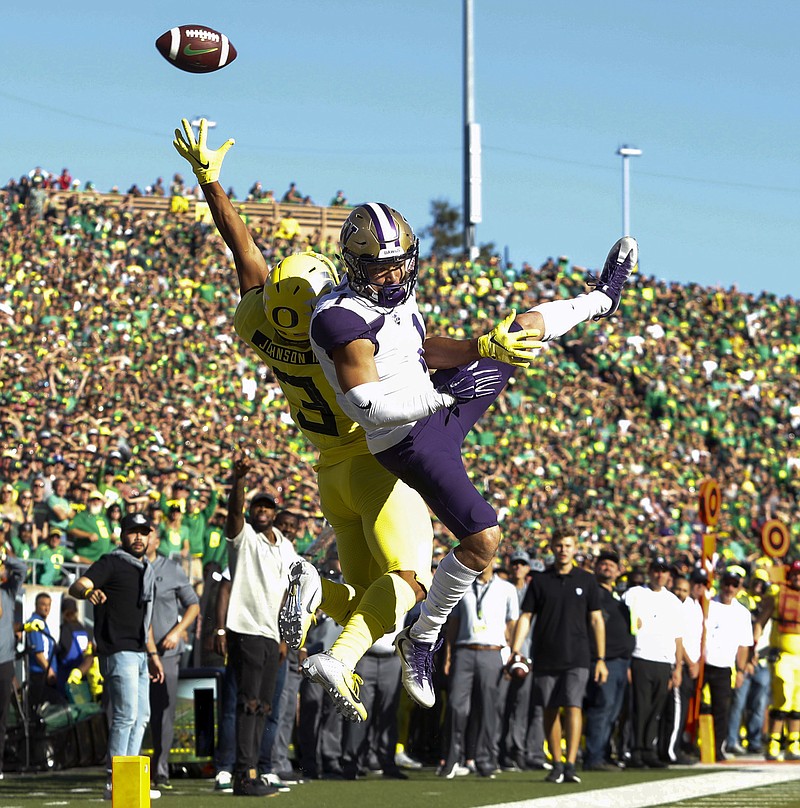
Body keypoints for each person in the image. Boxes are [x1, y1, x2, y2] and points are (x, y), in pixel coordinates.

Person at [309, 201, 636, 712]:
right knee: (484, 539)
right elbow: (369, 407)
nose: (394, 275)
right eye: (381, 267)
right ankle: (422, 637)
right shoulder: (339, 318)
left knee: (518, 331)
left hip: (434, 410)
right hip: (408, 440)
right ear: (355, 266)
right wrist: (444, 397)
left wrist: (481, 346)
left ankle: (602, 298)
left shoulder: (388, 299)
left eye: (400, 263)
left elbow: (419, 351)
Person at [173, 118, 437, 723]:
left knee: (375, 607)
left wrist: (209, 180)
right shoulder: (342, 329)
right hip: (376, 459)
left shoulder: (260, 326)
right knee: (412, 583)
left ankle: (321, 597)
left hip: (329, 473)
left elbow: (243, 253)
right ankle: (336, 653)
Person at [213, 455, 300, 797]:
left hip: (270, 633)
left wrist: (284, 636)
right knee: (247, 702)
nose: (261, 511)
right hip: (246, 627)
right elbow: (234, 513)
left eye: (267, 507)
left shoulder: (286, 545)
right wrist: (238, 481)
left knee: (264, 705)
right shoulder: (244, 536)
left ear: (275, 513)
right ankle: (242, 774)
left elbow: (288, 592)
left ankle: (255, 769)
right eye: (257, 507)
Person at [69, 512, 165, 801]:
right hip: (118, 650)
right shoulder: (111, 562)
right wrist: (89, 593)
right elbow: (77, 586)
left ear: (150, 537)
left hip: (138, 651)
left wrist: (153, 654)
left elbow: (144, 620)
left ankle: (129, 778)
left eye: (143, 532)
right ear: (122, 534)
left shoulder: (145, 569)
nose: (138, 537)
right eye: (132, 531)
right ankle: (115, 781)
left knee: (142, 716)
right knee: (125, 716)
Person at [507, 534, 606, 784]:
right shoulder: (540, 581)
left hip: (578, 656)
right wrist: (516, 648)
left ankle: (571, 764)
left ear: (575, 549)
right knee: (549, 709)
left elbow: (596, 620)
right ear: (552, 548)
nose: (563, 550)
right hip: (545, 655)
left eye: (568, 546)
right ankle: (557, 763)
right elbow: (526, 617)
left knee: (573, 706)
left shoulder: (587, 579)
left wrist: (601, 658)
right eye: (559, 546)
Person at [440, 562, 519, 779]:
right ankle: (453, 759)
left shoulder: (507, 589)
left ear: (494, 560)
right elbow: (453, 624)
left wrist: (511, 653)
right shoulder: (462, 586)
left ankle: (486, 760)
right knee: (456, 706)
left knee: (488, 708)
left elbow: (512, 625)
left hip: (492, 652)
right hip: (464, 650)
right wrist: (448, 655)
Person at [145, 531, 200, 790]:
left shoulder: (172, 569)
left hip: (165, 652)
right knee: (126, 713)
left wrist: (177, 632)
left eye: (148, 536)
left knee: (163, 713)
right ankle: (118, 769)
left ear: (157, 542)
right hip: (132, 651)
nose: (143, 540)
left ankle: (161, 768)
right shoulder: (124, 564)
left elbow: (193, 604)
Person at [622, 555, 685, 768]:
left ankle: (648, 749)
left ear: (668, 575)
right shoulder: (635, 594)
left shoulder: (674, 601)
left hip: (663, 659)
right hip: (641, 656)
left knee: (655, 708)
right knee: (640, 707)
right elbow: (627, 622)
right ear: (650, 572)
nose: (660, 575)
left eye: (664, 571)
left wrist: (678, 667)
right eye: (656, 570)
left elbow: (678, 637)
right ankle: (635, 750)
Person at [582, 548, 635, 771]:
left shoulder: (618, 598)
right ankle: (593, 757)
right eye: (603, 563)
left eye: (612, 564)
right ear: (595, 567)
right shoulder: (592, 593)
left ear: (619, 571)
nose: (607, 567)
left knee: (613, 711)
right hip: (604, 660)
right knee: (601, 708)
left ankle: (603, 753)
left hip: (622, 662)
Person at [701, 564, 754, 761]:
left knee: (721, 710)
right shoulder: (708, 604)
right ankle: (695, 744)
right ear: (720, 584)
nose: (729, 589)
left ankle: (718, 748)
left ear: (739, 587)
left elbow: (743, 645)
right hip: (704, 663)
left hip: (724, 666)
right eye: (726, 583)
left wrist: (740, 671)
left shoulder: (742, 613)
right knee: (699, 706)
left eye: (734, 585)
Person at [758, 559, 800, 761]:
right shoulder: (778, 593)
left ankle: (793, 742)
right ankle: (773, 742)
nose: (798, 577)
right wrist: (752, 645)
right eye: (795, 573)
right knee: (782, 698)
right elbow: (762, 619)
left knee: (797, 704)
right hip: (783, 655)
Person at [0, 555, 27, 780]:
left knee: (2, 716)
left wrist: (4, 556)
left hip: (4, 660)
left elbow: (22, 569)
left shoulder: (7, 591)